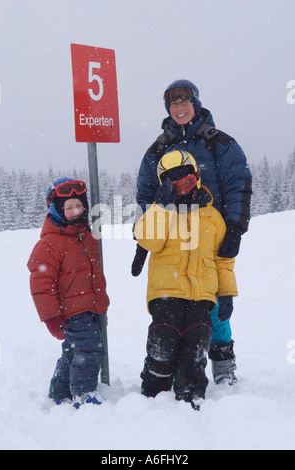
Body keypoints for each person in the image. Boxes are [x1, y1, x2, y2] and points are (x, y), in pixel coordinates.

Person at [132, 79, 252, 385]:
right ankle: (179, 368)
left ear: (195, 104)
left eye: (184, 102)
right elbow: (146, 195)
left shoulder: (219, 143)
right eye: (173, 104)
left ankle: (224, 368)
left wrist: (234, 228)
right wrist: (142, 241)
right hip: (171, 238)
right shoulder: (157, 149)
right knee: (180, 309)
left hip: (211, 232)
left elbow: (238, 184)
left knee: (213, 307)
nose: (179, 108)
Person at [134, 150, 238, 410]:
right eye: (174, 185)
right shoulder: (160, 213)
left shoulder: (213, 217)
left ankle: (191, 394)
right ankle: (154, 393)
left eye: (187, 182)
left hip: (202, 295)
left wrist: (225, 293)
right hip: (166, 291)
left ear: (198, 178)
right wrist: (161, 207)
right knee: (163, 344)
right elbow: (148, 240)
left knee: (196, 347)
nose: (182, 190)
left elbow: (222, 260)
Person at [27, 177, 110, 408]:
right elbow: (41, 283)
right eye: (69, 207)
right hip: (72, 310)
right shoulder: (50, 243)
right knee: (89, 348)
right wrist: (50, 316)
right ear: (56, 210)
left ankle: (59, 390)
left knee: (74, 349)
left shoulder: (86, 234)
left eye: (79, 205)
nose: (75, 211)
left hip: (93, 305)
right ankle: (83, 394)